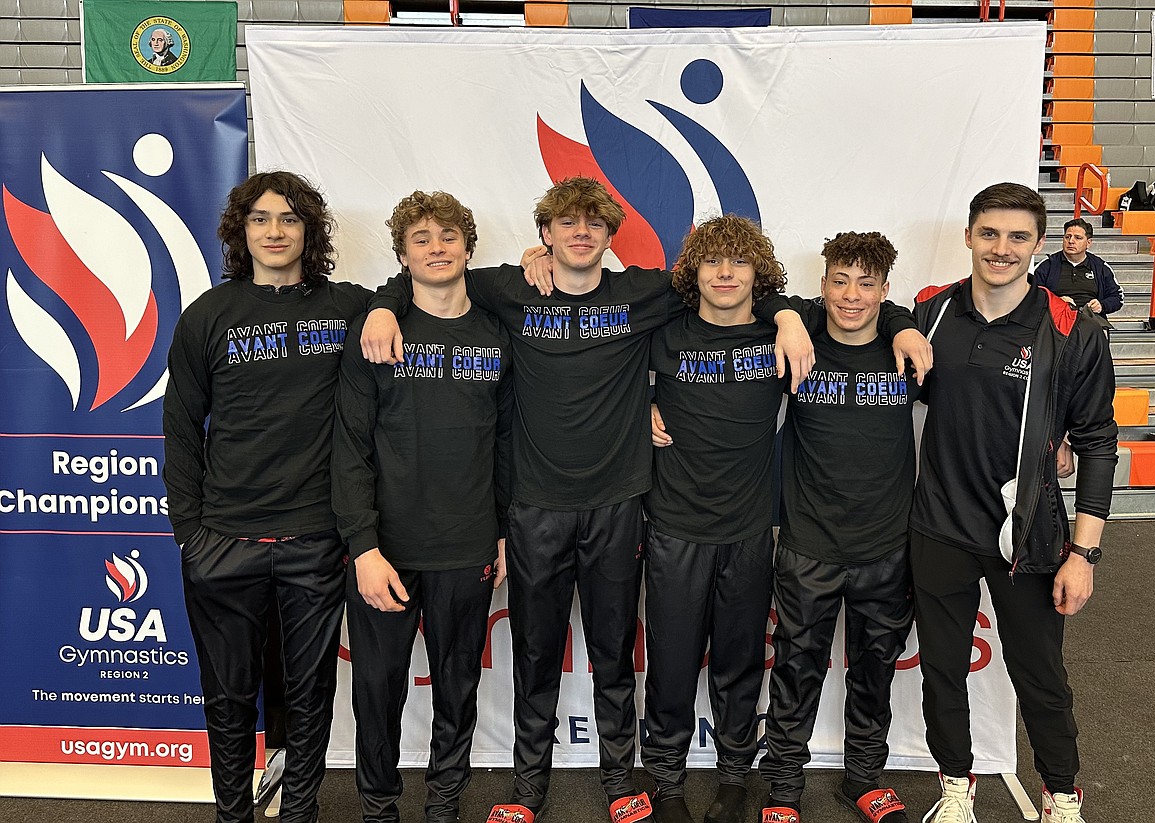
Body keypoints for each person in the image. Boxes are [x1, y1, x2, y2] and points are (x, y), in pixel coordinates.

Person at [360, 177, 825, 823]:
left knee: (613, 653)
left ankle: (617, 780)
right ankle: (528, 789)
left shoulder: (645, 292)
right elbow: (429, 277)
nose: (581, 232)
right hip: (534, 507)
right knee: (535, 653)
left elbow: (737, 285)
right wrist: (383, 306)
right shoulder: (508, 288)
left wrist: (791, 316)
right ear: (544, 234)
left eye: (594, 224)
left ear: (610, 237)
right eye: (566, 223)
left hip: (618, 504)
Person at [163, 171, 370, 823]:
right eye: (260, 219)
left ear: (309, 231)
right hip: (224, 542)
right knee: (227, 697)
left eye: (288, 218)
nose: (274, 231)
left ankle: (299, 811)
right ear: (240, 231)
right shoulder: (208, 315)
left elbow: (430, 296)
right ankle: (233, 814)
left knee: (310, 693)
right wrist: (190, 534)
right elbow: (179, 428)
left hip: (314, 540)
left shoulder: (348, 308)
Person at [911, 183, 1118, 823]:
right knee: (942, 671)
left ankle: (1061, 793)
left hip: (1024, 533)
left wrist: (1083, 553)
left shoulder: (1071, 328)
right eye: (991, 234)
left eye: (1018, 237)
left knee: (1040, 676)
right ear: (970, 236)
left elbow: (1099, 444)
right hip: (939, 524)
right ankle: (955, 785)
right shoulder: (930, 313)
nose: (1001, 249)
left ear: (1037, 245)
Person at [332, 190, 513, 823]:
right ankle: (379, 807)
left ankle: (443, 803)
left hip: (467, 544)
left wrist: (502, 532)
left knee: (458, 686)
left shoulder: (497, 334)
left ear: (468, 245)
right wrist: (362, 546)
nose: (436, 248)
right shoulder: (378, 334)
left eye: (447, 237)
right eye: (421, 239)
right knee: (376, 691)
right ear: (402, 254)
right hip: (386, 550)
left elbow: (509, 441)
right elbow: (348, 448)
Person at [758, 232, 918, 823]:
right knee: (796, 670)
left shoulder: (909, 350)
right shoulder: (795, 346)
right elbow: (733, 304)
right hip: (809, 546)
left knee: (875, 670)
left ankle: (864, 777)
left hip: (886, 546)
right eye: (839, 281)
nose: (851, 296)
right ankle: (782, 789)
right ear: (821, 284)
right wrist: (788, 315)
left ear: (884, 291)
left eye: (866, 283)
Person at [641, 215, 789, 823]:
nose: (725, 273)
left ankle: (734, 779)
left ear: (760, 275)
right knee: (672, 662)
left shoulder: (780, 336)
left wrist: (788, 316)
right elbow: (597, 374)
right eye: (712, 262)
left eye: (739, 262)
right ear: (692, 273)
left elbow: (860, 307)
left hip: (750, 528)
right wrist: (641, 407)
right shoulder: (662, 334)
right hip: (675, 526)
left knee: (739, 662)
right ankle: (666, 779)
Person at [1033, 218, 1123, 330]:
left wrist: (1101, 305)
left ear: (1088, 243)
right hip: (1056, 322)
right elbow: (1032, 295)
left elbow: (1117, 298)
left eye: (1078, 238)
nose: (1071, 241)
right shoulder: (1047, 265)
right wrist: (1056, 302)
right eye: (1067, 237)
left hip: (1090, 321)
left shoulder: (1100, 267)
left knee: (1097, 332)